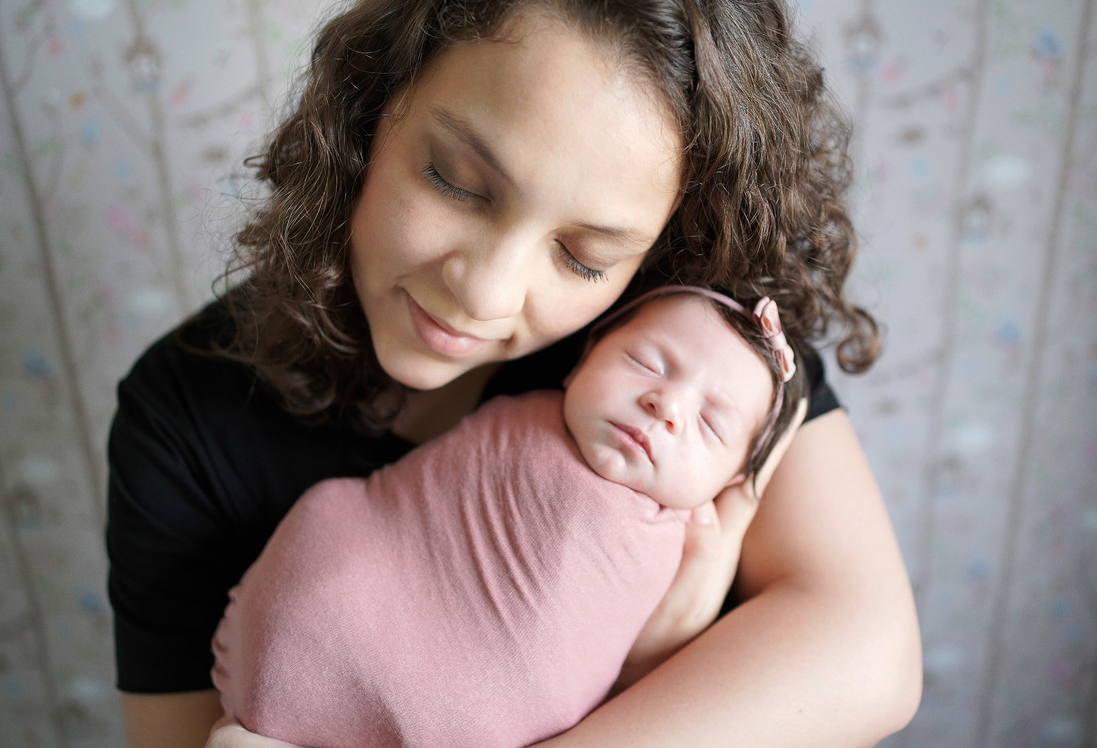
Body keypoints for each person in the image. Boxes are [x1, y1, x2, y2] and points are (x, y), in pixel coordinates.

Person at [105, 0, 922, 747]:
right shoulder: (184, 414)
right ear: (369, 107)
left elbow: (870, 658)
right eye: (456, 182)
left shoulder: (691, 348)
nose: (486, 293)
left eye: (583, 258)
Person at [211, 287, 807, 748]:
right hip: (327, 601)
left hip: (462, 712)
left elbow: (641, 664)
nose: (667, 404)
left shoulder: (692, 541)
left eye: (711, 424)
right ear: (582, 361)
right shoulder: (526, 408)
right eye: (646, 363)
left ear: (731, 479)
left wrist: (719, 544)